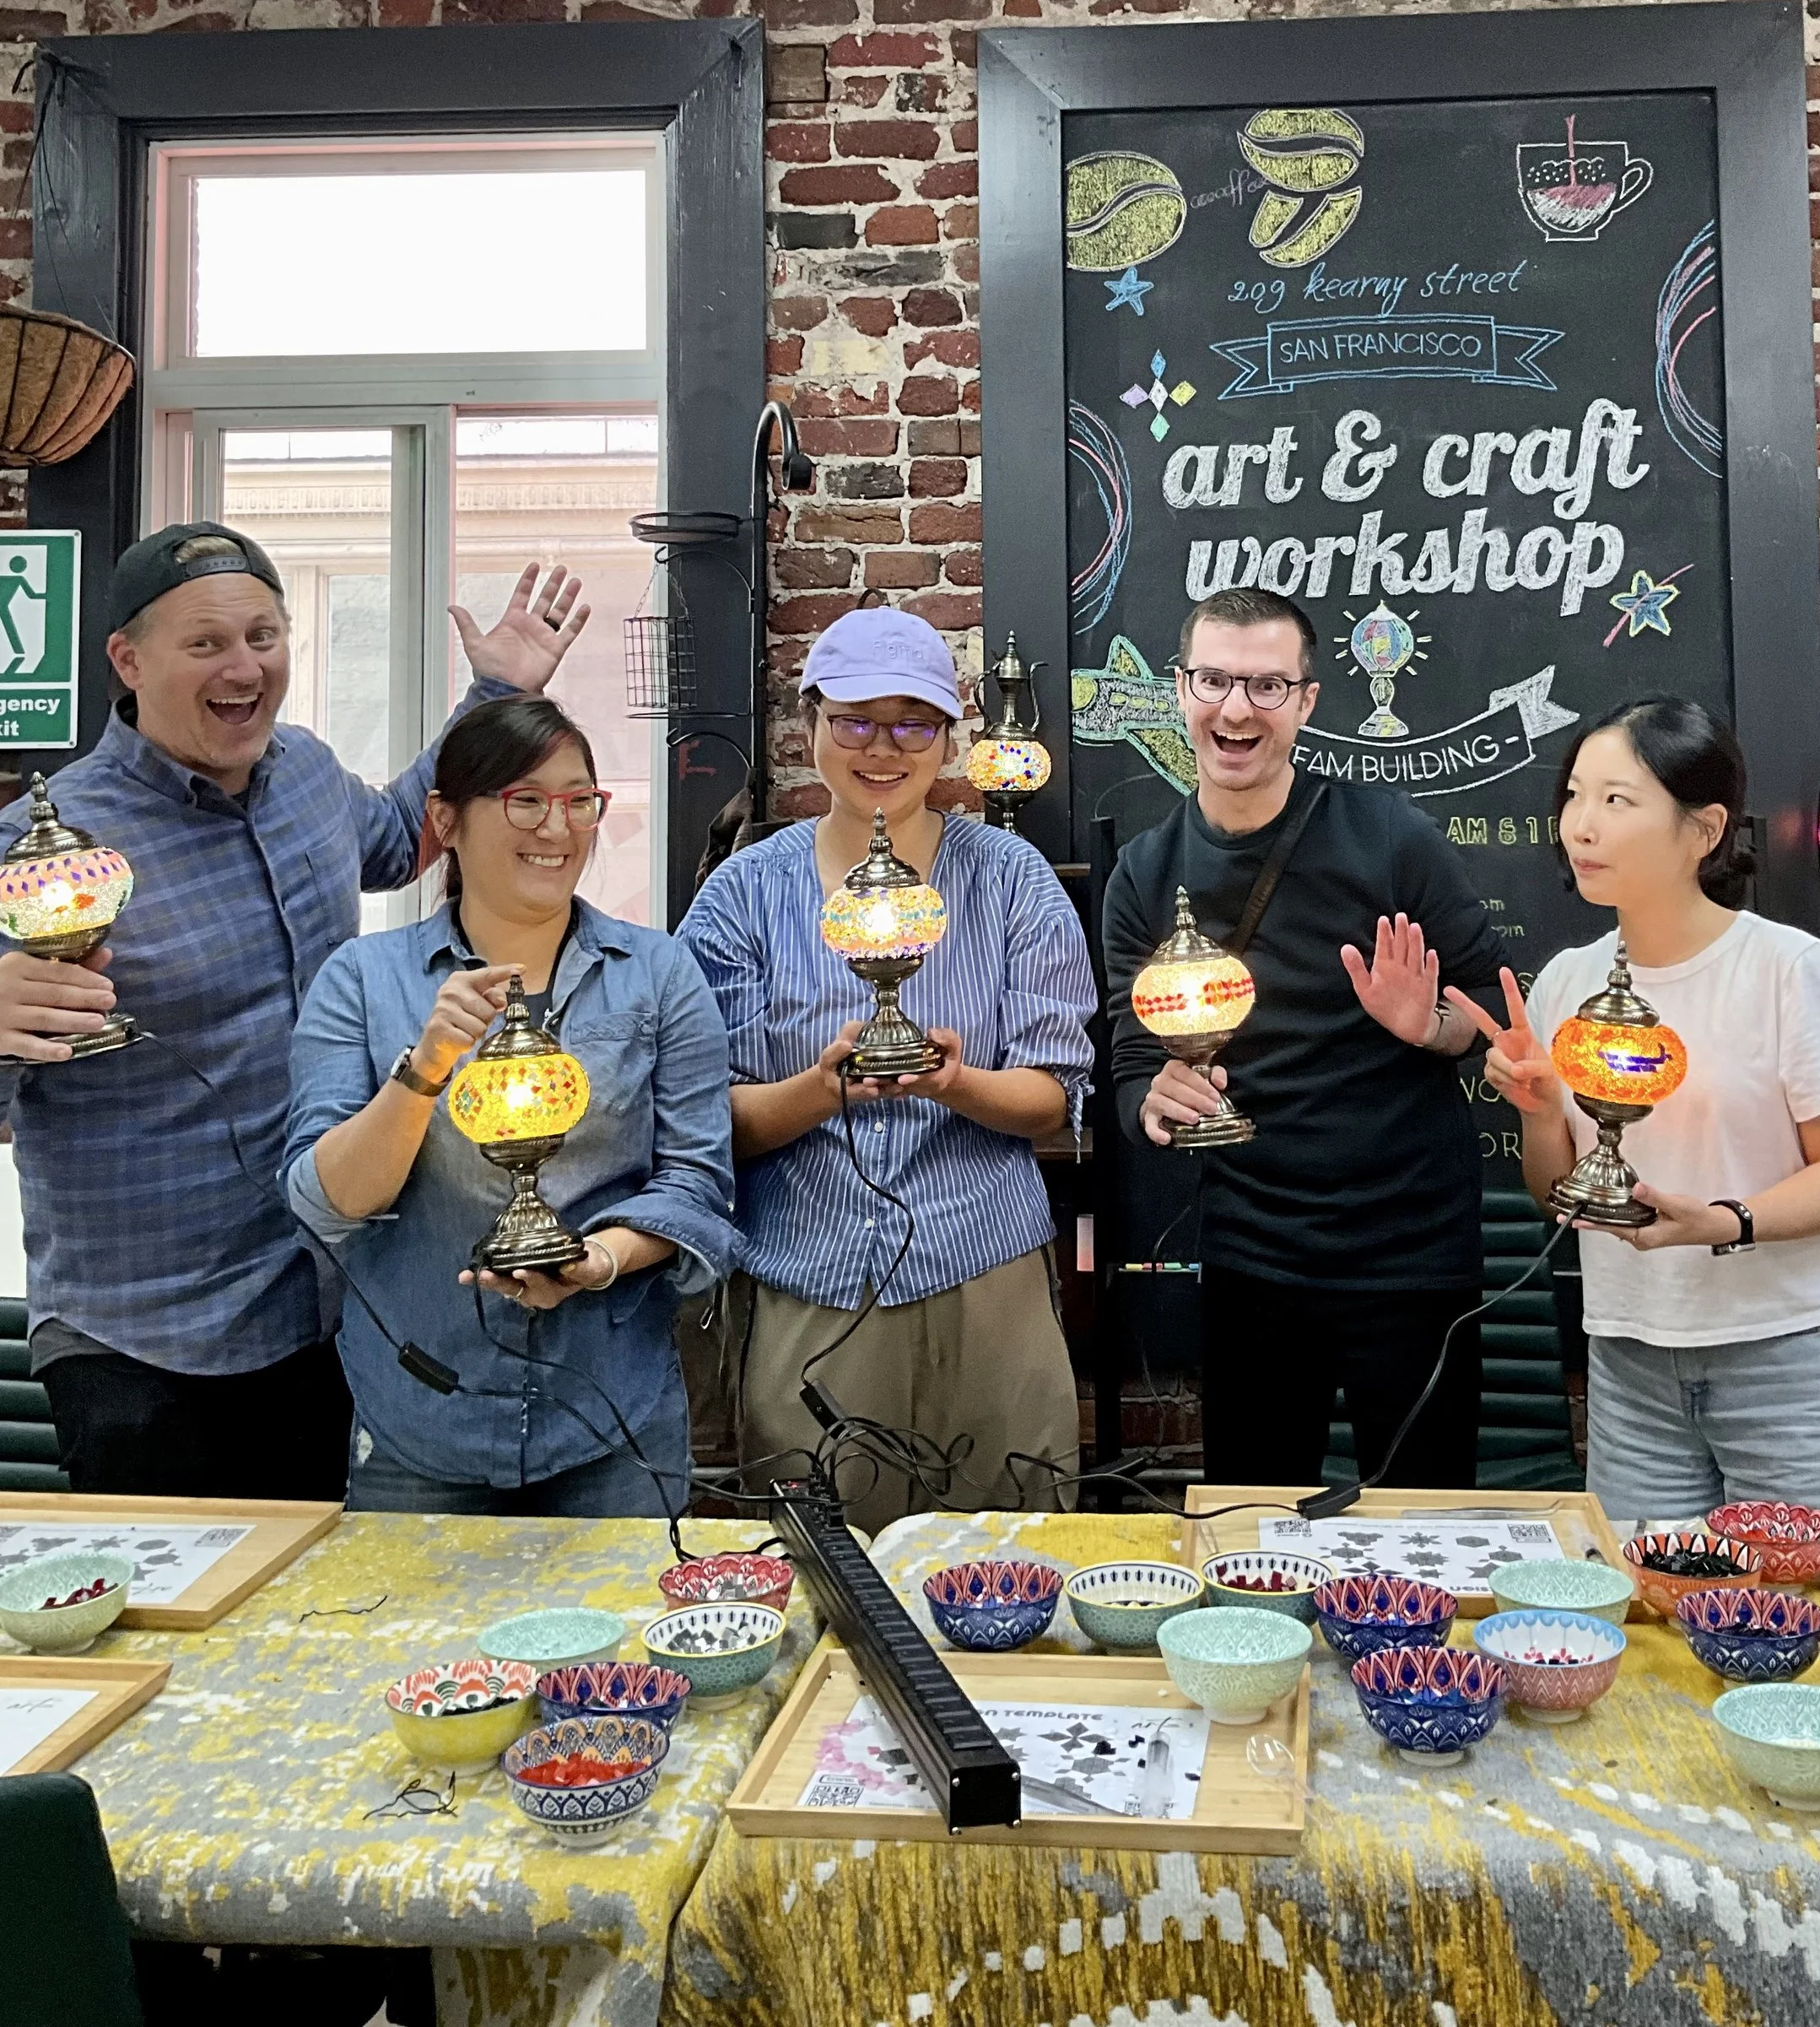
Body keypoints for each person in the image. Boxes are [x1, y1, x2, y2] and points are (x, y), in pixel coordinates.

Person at [0, 521, 586, 1500]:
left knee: (301, 1605)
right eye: (207, 644)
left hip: (313, 1299)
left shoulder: (305, 773)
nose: (244, 667)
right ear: (127, 660)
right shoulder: (46, 849)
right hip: (141, 1336)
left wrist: (498, 696)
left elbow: (401, 838)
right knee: (169, 1627)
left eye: (264, 637)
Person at [679, 608, 1095, 1530]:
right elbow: (704, 1119)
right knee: (829, 1574)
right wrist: (820, 1088)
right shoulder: (742, 896)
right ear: (811, 725)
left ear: (948, 738)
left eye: (914, 723)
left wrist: (956, 1081)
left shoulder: (1010, 878)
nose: (884, 747)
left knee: (1013, 1553)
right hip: (809, 1276)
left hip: (985, 1272)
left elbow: (1053, 1097)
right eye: (856, 720)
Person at [1449, 695, 1820, 1524]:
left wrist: (1719, 1221)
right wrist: (1541, 1114)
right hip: (1630, 1356)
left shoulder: (1788, 972)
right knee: (1647, 1614)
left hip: (1789, 1353)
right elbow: (1561, 1195)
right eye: (1574, 796)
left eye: (1616, 801)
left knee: (1808, 1607)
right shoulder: (1565, 985)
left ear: (1702, 830)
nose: (1580, 826)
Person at [284, 695, 737, 1516]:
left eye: (578, 801)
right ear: (444, 819)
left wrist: (598, 1259)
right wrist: (422, 1072)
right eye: (525, 800)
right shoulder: (362, 980)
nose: (557, 830)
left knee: (620, 1646)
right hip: (422, 1416)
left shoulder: (658, 976)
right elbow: (327, 1201)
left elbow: (698, 1186)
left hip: (613, 1421)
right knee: (415, 1646)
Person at [1101, 586, 1509, 1489]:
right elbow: (1134, 1057)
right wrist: (1151, 1100)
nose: (1235, 708)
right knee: (1257, 1527)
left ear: (1306, 701)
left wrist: (1428, 1025)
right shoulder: (1142, 873)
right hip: (1250, 1254)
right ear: (1181, 689)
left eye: (1265, 686)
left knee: (1423, 1531)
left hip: (1411, 1257)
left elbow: (1492, 1006)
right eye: (1213, 680)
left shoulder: (1391, 838)